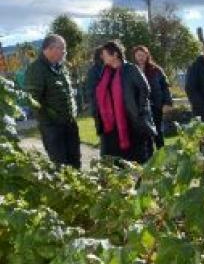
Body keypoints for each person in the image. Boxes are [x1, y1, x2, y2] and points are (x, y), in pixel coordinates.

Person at [93, 40, 156, 163]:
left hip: (132, 123)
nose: (103, 57)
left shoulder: (131, 69)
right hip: (113, 125)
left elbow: (145, 89)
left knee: (139, 161)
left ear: (115, 54)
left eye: (105, 54)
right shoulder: (106, 72)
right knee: (115, 161)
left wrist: (139, 109)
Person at [25, 34, 80, 168]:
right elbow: (32, 101)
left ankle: (78, 189)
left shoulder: (61, 67)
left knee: (75, 160)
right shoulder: (36, 69)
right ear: (50, 49)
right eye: (62, 48)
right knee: (60, 165)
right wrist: (49, 124)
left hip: (69, 124)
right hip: (53, 128)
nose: (65, 52)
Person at [133, 45, 172, 149]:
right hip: (141, 109)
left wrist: (167, 103)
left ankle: (162, 157)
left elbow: (165, 87)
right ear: (135, 56)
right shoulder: (131, 71)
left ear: (147, 55)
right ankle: (148, 158)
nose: (141, 57)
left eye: (143, 55)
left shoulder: (156, 70)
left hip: (156, 106)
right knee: (145, 135)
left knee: (158, 133)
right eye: (138, 55)